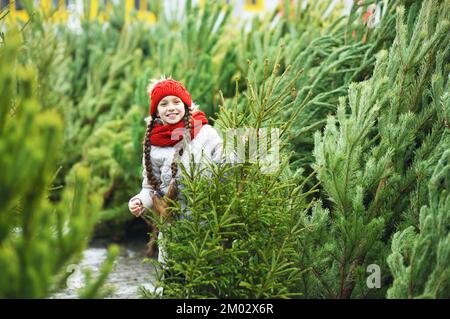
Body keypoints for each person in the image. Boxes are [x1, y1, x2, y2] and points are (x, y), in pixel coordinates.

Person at [128, 77, 224, 265]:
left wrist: (251, 147)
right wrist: (139, 201)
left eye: (176, 102)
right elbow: (149, 188)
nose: (170, 108)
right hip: (173, 231)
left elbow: (227, 166)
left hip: (207, 226)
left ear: (186, 105)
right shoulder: (153, 145)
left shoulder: (206, 133)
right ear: (156, 111)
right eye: (163, 104)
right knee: (173, 281)